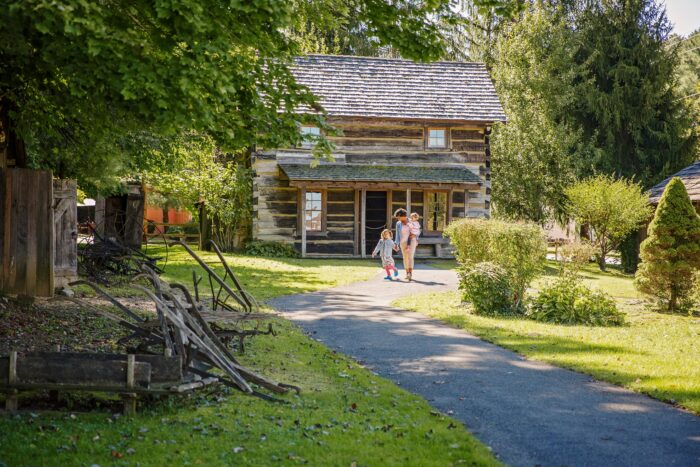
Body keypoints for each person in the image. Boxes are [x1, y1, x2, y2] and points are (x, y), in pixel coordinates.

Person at [393, 208, 417, 281]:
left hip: (412, 241)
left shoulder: (411, 221)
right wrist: (396, 244)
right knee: (405, 257)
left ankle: (410, 273)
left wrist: (416, 235)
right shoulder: (398, 224)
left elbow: (417, 230)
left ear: (402, 215)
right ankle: (407, 273)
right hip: (403, 242)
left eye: (398, 217)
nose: (397, 218)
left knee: (410, 256)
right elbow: (397, 235)